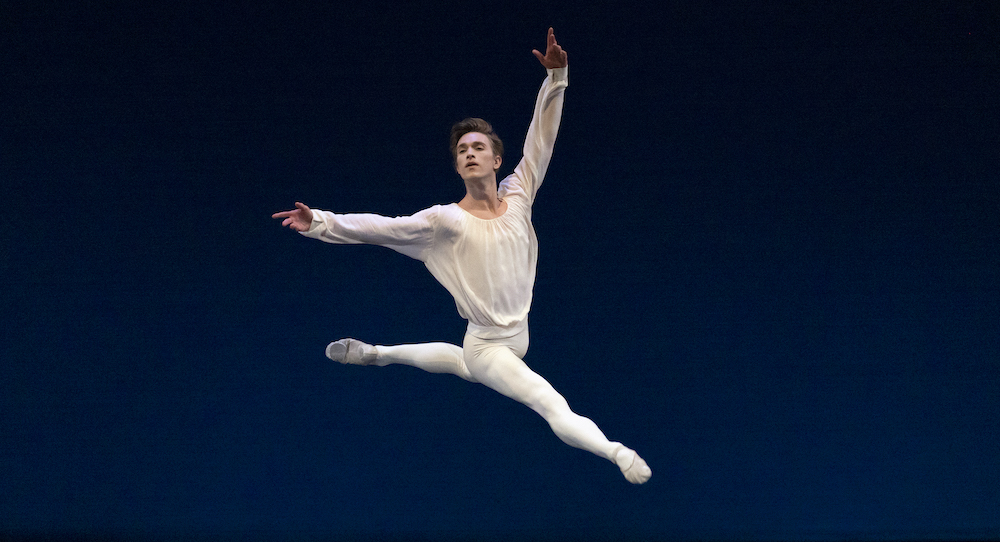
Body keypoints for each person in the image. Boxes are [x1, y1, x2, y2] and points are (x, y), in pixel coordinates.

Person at [272, 28, 651, 484]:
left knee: (461, 366)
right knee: (546, 401)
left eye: (478, 148)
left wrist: (557, 78)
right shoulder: (443, 223)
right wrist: (321, 222)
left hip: (517, 335)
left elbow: (542, 140)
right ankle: (615, 453)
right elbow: (380, 228)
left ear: (496, 161)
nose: (470, 154)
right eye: (462, 151)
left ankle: (376, 354)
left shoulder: (519, 193)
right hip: (489, 342)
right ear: (457, 166)